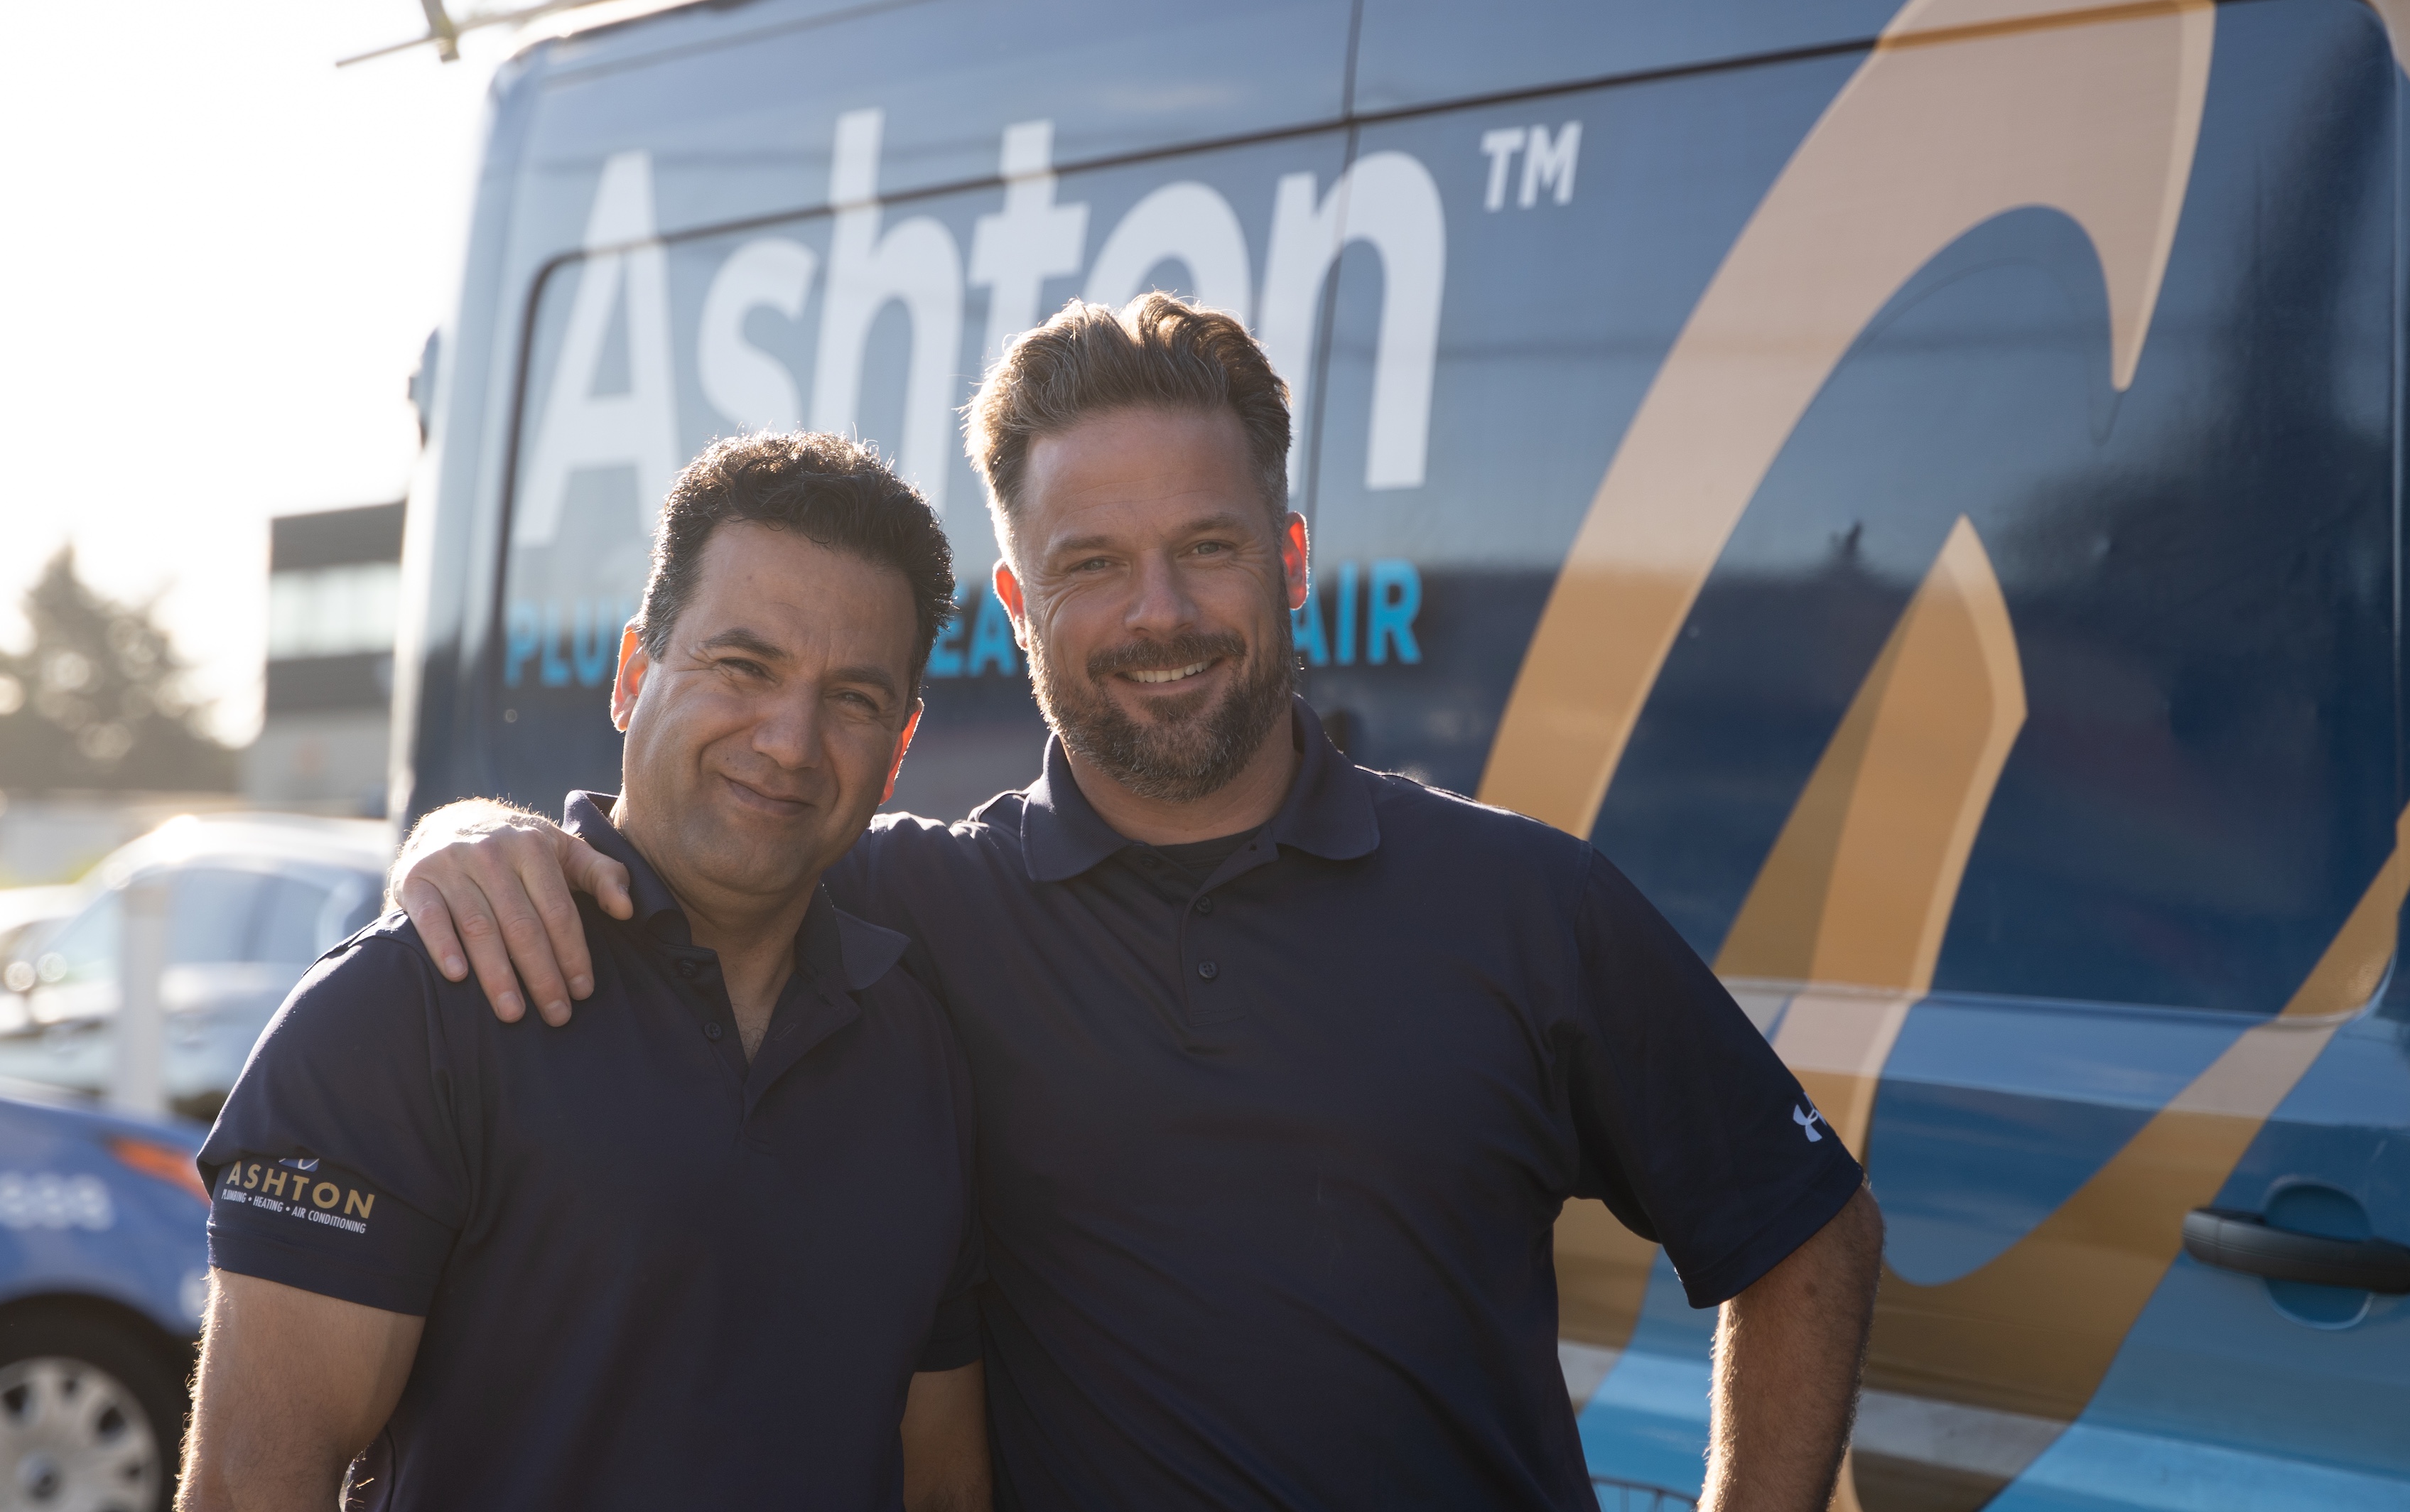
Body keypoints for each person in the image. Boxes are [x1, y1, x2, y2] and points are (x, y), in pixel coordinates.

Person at [397, 293, 1886, 1512]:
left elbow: (1804, 1231)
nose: (1157, 615)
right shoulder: (915, 904)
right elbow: (673, 840)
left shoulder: (1521, 903)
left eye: (1208, 551)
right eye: (1092, 565)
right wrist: (461, 837)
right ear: (1018, 604)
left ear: (1290, 564)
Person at [177, 435, 992, 1512]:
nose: (790, 742)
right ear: (633, 674)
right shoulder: (414, 1003)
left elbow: (938, 1484)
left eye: (851, 699)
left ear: (898, 749)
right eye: (742, 667)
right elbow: (250, 1486)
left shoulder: (920, 1050)